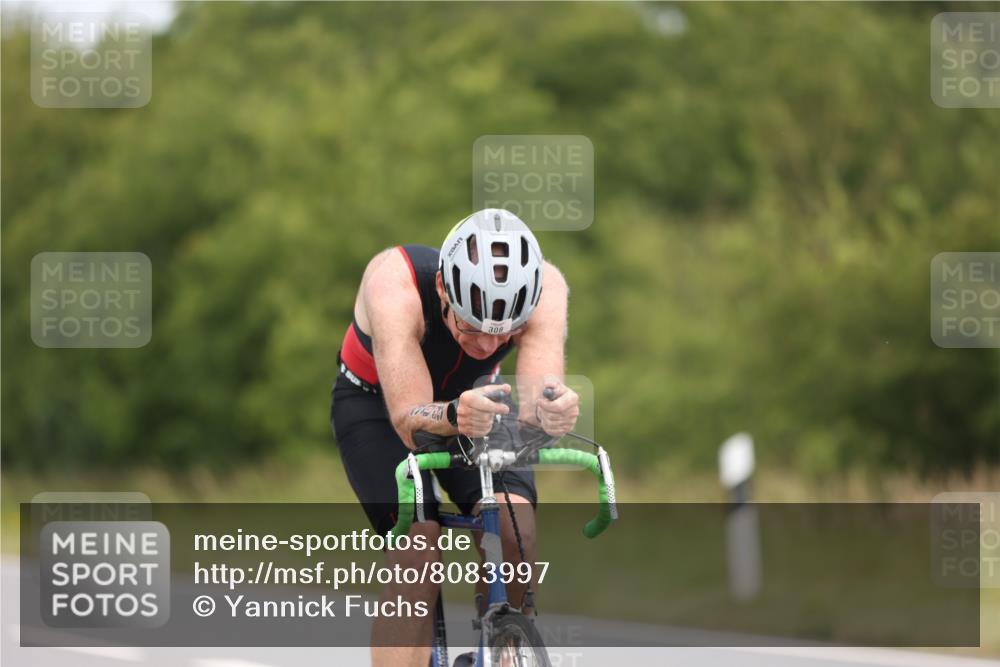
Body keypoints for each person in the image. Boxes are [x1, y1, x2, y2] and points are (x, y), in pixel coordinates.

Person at [330, 208, 579, 667]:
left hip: (480, 402)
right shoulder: (393, 283)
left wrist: (552, 410)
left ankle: (505, 648)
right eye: (470, 325)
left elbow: (534, 404)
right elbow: (410, 419)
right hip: (378, 406)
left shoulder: (546, 290)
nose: (486, 346)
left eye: (501, 332)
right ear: (444, 289)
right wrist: (452, 412)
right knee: (418, 548)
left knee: (514, 526)